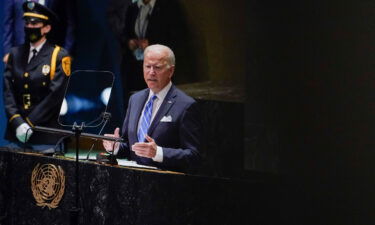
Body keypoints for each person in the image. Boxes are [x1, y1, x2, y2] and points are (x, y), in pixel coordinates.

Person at [103, 44, 202, 172]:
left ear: (171, 71)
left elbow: (194, 156)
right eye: (147, 66)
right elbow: (130, 147)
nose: (151, 72)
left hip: (165, 185)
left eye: (157, 67)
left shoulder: (185, 105)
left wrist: (158, 153)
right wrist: (116, 147)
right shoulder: (135, 99)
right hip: (133, 182)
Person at [3, 2, 71, 152]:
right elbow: (8, 92)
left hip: (45, 134)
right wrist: (18, 122)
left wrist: (29, 123)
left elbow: (54, 96)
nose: (30, 27)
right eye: (27, 23)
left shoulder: (58, 56)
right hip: (17, 134)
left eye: (35, 23)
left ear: (46, 28)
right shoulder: (15, 53)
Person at [3, 0, 75, 64]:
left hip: (52, 54)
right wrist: (7, 52)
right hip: (20, 53)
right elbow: (7, 24)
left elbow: (71, 22)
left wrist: (67, 52)